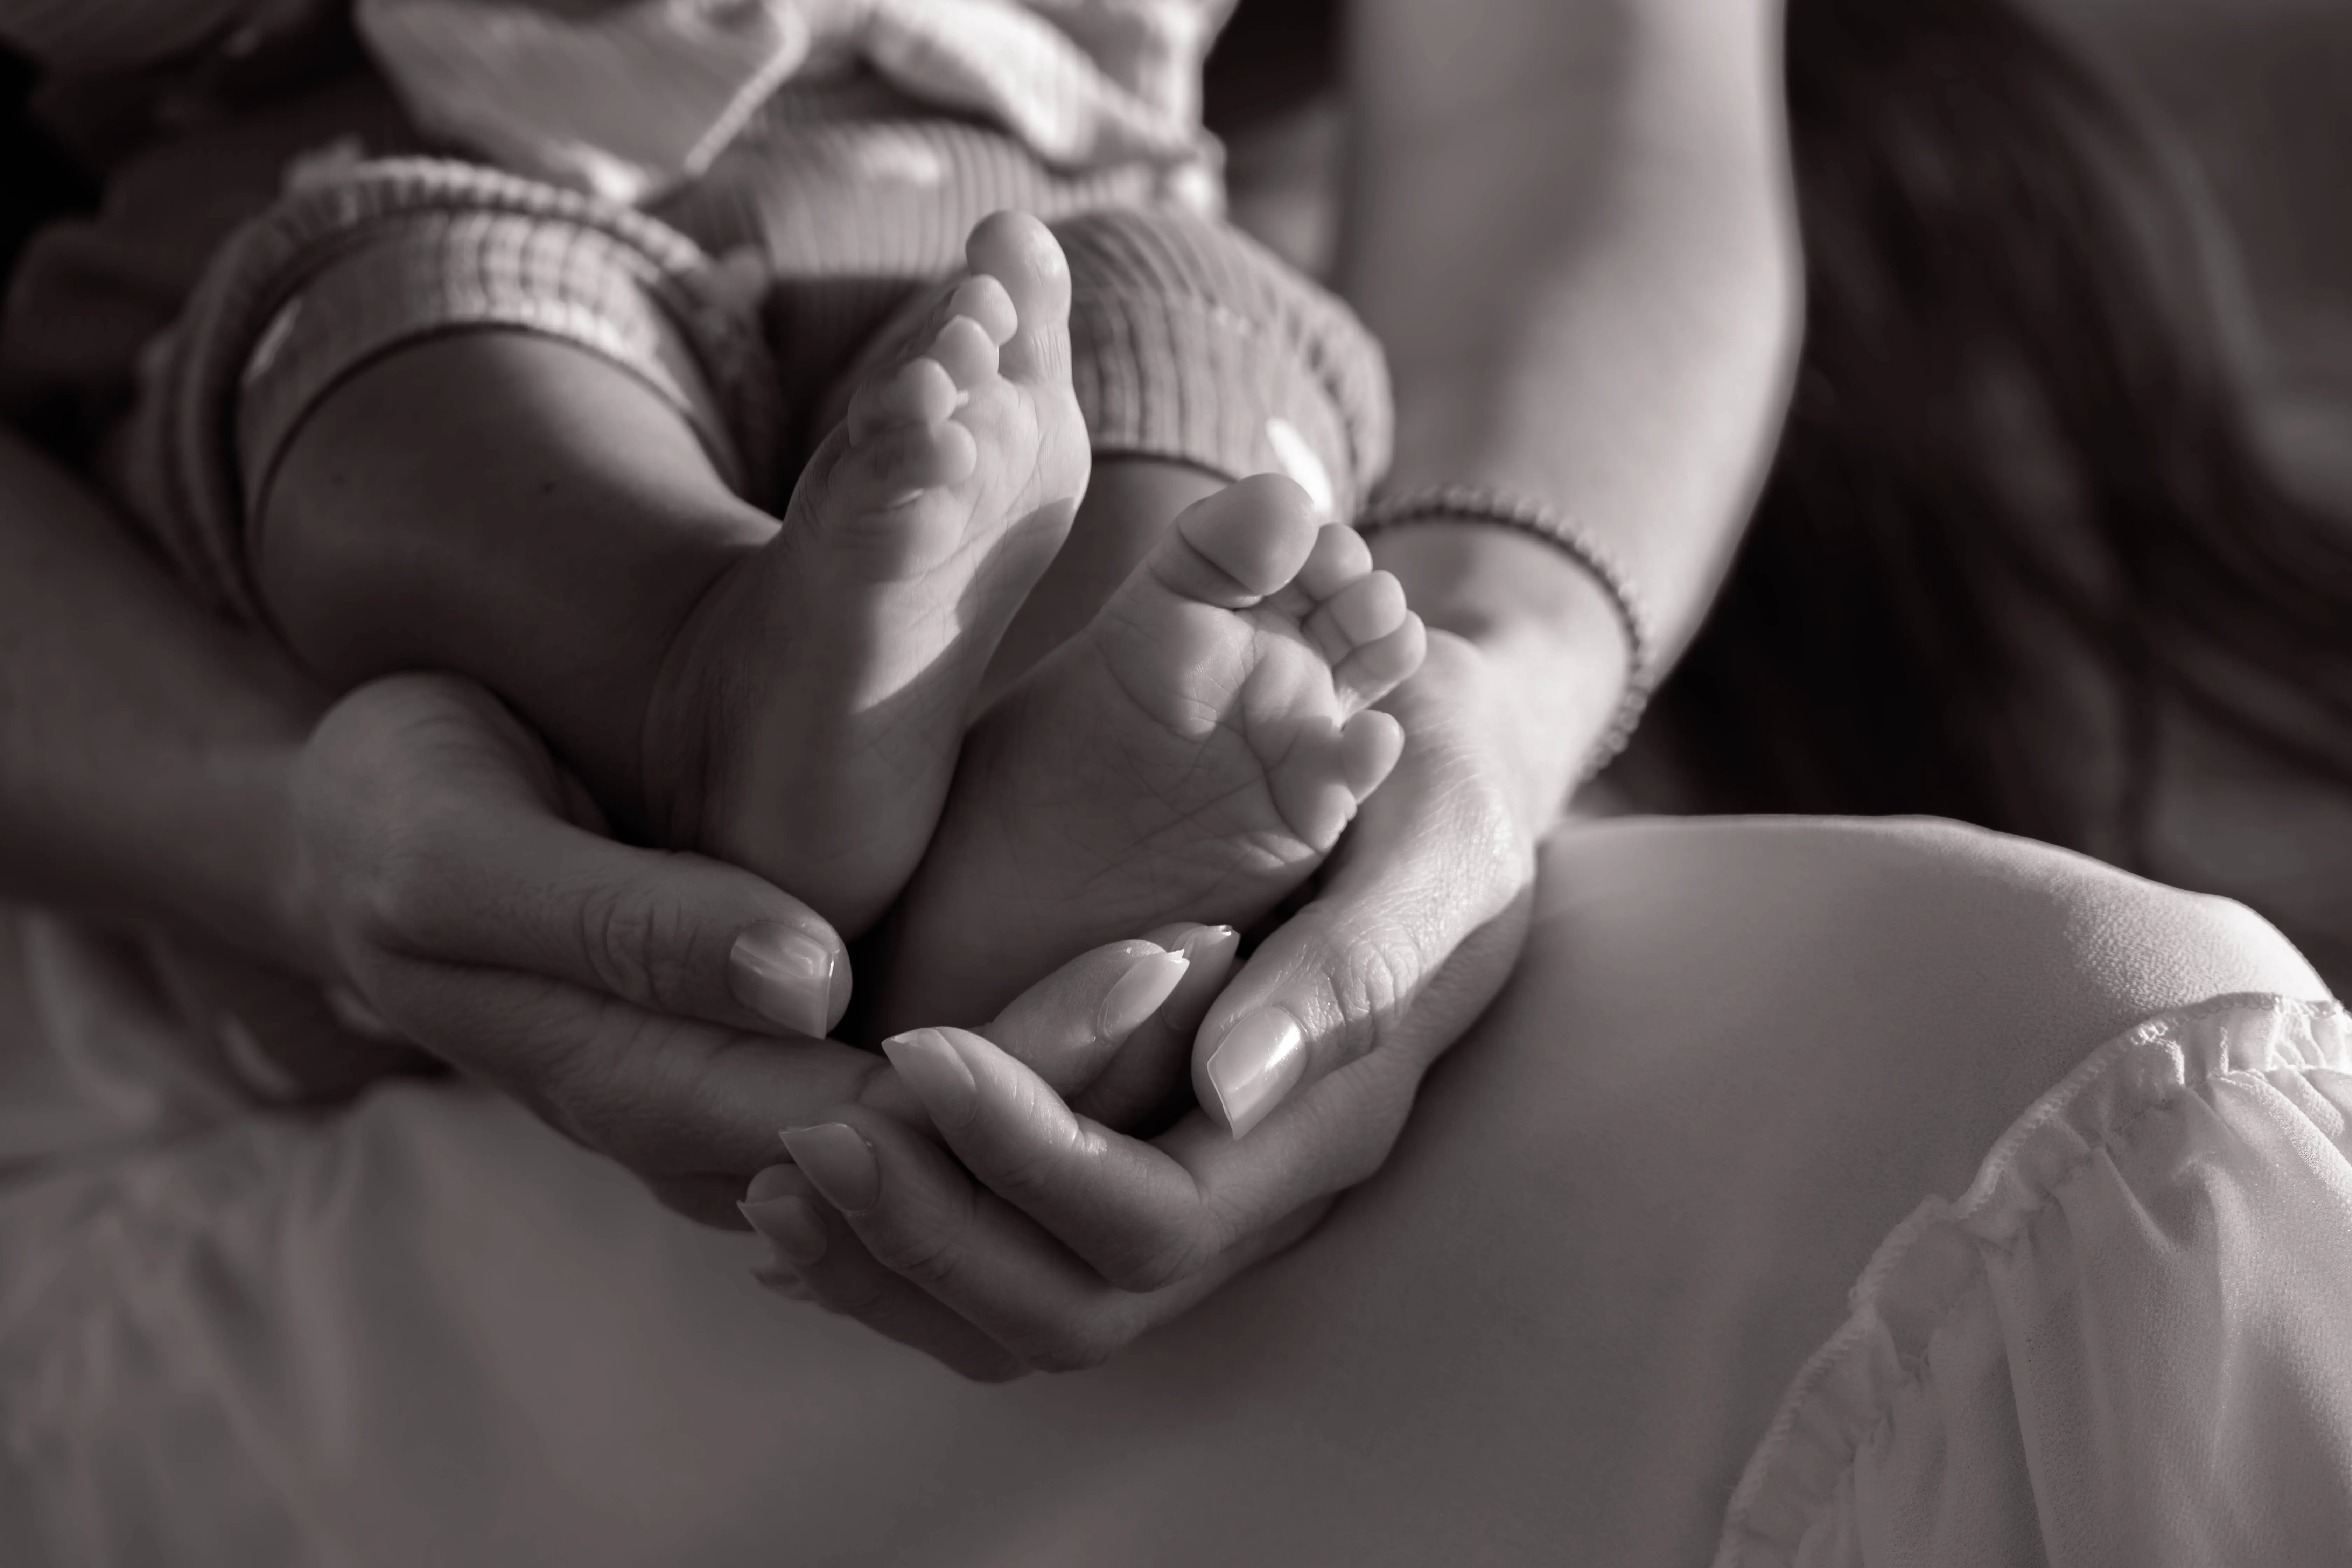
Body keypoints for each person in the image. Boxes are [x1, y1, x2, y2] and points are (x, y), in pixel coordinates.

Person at [2, 2, 2345, 1566]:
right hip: (223, 798)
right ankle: (715, 670)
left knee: (1190, 390)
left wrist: (1487, 697)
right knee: (414, 361)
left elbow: (1577, 107)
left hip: (1033, 231)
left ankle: (1054, 815)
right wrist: (280, 832)